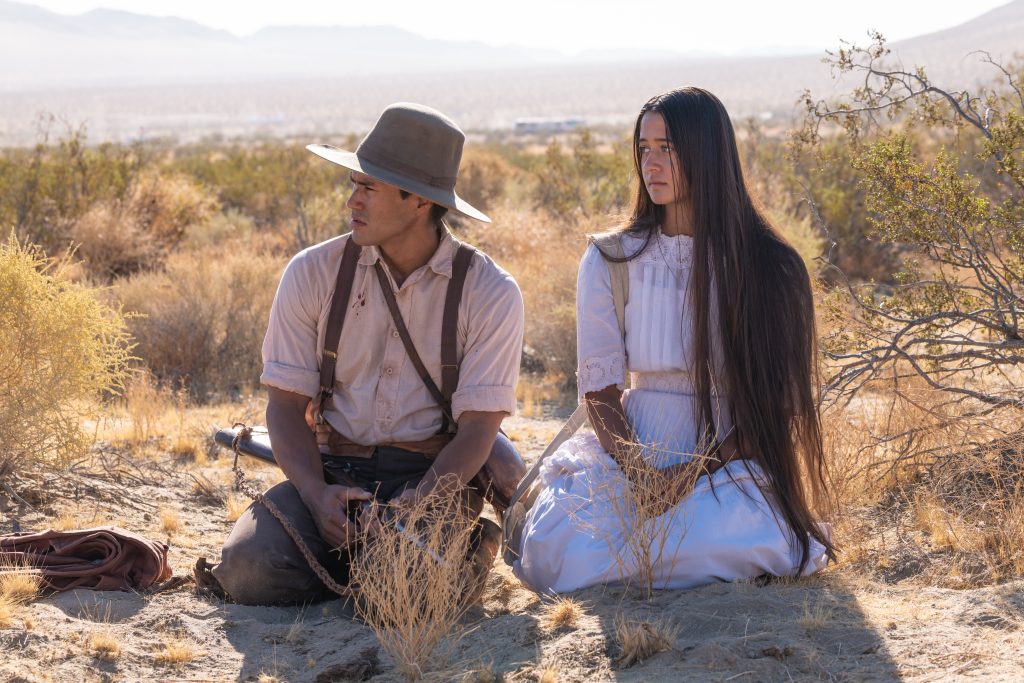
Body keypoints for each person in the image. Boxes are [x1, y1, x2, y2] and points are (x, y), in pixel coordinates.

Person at [512, 87, 834, 594]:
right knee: (558, 547)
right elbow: (599, 392)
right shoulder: (609, 259)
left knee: (730, 536)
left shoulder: (771, 266)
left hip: (731, 454)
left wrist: (691, 474)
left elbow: (776, 409)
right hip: (631, 450)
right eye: (644, 149)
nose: (652, 164)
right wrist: (640, 474)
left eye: (668, 148)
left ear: (708, 153)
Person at [205, 102, 525, 605]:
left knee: (401, 592)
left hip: (431, 479)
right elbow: (285, 407)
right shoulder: (312, 272)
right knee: (248, 570)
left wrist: (418, 506)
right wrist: (316, 495)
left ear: (419, 201)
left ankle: (456, 552)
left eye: (368, 187)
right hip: (329, 471)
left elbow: (479, 431)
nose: (353, 199)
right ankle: (371, 568)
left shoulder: (490, 292)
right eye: (354, 183)